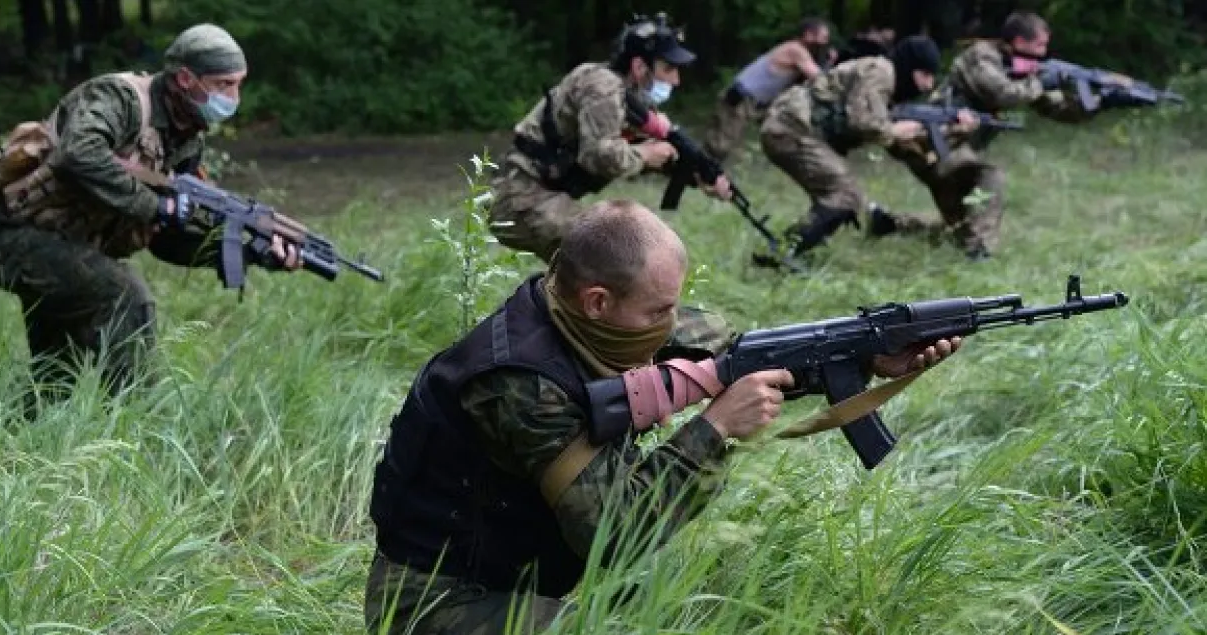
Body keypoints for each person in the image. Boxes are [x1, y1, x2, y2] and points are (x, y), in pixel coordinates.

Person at [364, 198, 965, 634]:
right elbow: (615, 536)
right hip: (436, 601)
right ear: (597, 300)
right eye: (660, 310)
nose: (673, 326)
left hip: (529, 575)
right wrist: (714, 429)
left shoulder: (594, 318)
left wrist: (866, 358)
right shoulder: (520, 384)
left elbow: (742, 355)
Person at [0, 23, 302, 418]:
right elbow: (80, 152)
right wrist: (155, 206)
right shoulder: (121, 98)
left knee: (56, 377)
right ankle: (134, 428)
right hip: (15, 236)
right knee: (126, 298)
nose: (234, 97)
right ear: (185, 78)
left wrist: (253, 251)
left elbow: (168, 238)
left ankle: (26, 447)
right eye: (223, 84)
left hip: (71, 248)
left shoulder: (185, 140)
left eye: (239, 84)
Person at [486, 12, 732, 264]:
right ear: (639, 67)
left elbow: (639, 150)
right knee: (605, 257)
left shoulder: (630, 99)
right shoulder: (603, 88)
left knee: (601, 263)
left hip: (540, 196)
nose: (676, 80)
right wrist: (647, 155)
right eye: (668, 69)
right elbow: (600, 156)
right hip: (520, 198)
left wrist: (697, 176)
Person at [869, 12, 1093, 260]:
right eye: (1039, 45)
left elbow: (1055, 109)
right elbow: (1004, 94)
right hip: (934, 141)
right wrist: (1040, 82)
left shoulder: (1023, 71)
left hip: (953, 146)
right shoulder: (982, 57)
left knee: (961, 231)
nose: (1044, 53)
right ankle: (981, 252)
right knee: (989, 176)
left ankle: (889, 224)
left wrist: (1093, 100)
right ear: (1019, 41)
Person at [757, 35, 979, 265]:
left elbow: (908, 148)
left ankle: (788, 252)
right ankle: (782, 253)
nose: (928, 85)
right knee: (844, 196)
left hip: (795, 130)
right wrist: (895, 130)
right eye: (925, 75)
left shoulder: (890, 93)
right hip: (791, 129)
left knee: (846, 200)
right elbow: (863, 122)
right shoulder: (882, 72)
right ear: (910, 68)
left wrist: (953, 130)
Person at [702, 17, 835, 163]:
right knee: (719, 144)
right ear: (808, 34)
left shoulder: (797, 50)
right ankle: (697, 172)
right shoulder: (796, 50)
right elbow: (817, 78)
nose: (825, 43)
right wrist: (829, 63)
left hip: (752, 99)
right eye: (823, 38)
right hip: (742, 97)